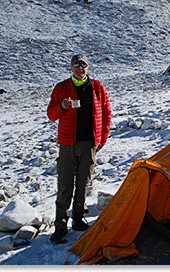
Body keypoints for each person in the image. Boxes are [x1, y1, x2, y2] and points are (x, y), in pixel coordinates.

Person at [47, 54, 112, 243]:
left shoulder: (97, 87)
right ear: (71, 68)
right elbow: (51, 115)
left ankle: (77, 218)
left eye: (83, 65)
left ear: (88, 68)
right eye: (76, 65)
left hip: (89, 143)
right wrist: (61, 106)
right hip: (67, 143)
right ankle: (60, 225)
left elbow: (107, 113)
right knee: (65, 184)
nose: (80, 68)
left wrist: (101, 139)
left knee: (83, 182)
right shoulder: (62, 88)